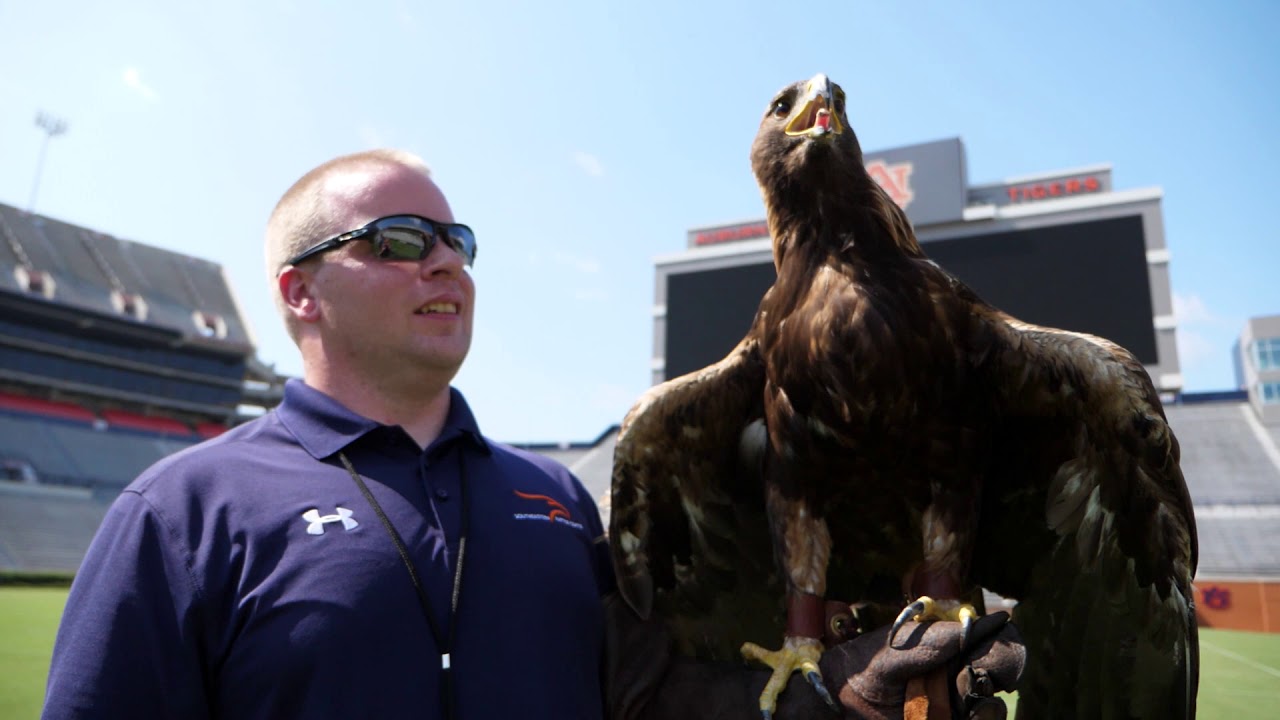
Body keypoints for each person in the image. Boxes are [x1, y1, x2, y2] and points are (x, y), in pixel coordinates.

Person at [42, 148, 1024, 719]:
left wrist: (847, 687)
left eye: (457, 242)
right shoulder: (183, 511)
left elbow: (653, 702)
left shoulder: (553, 499)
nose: (444, 263)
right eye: (398, 241)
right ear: (299, 292)